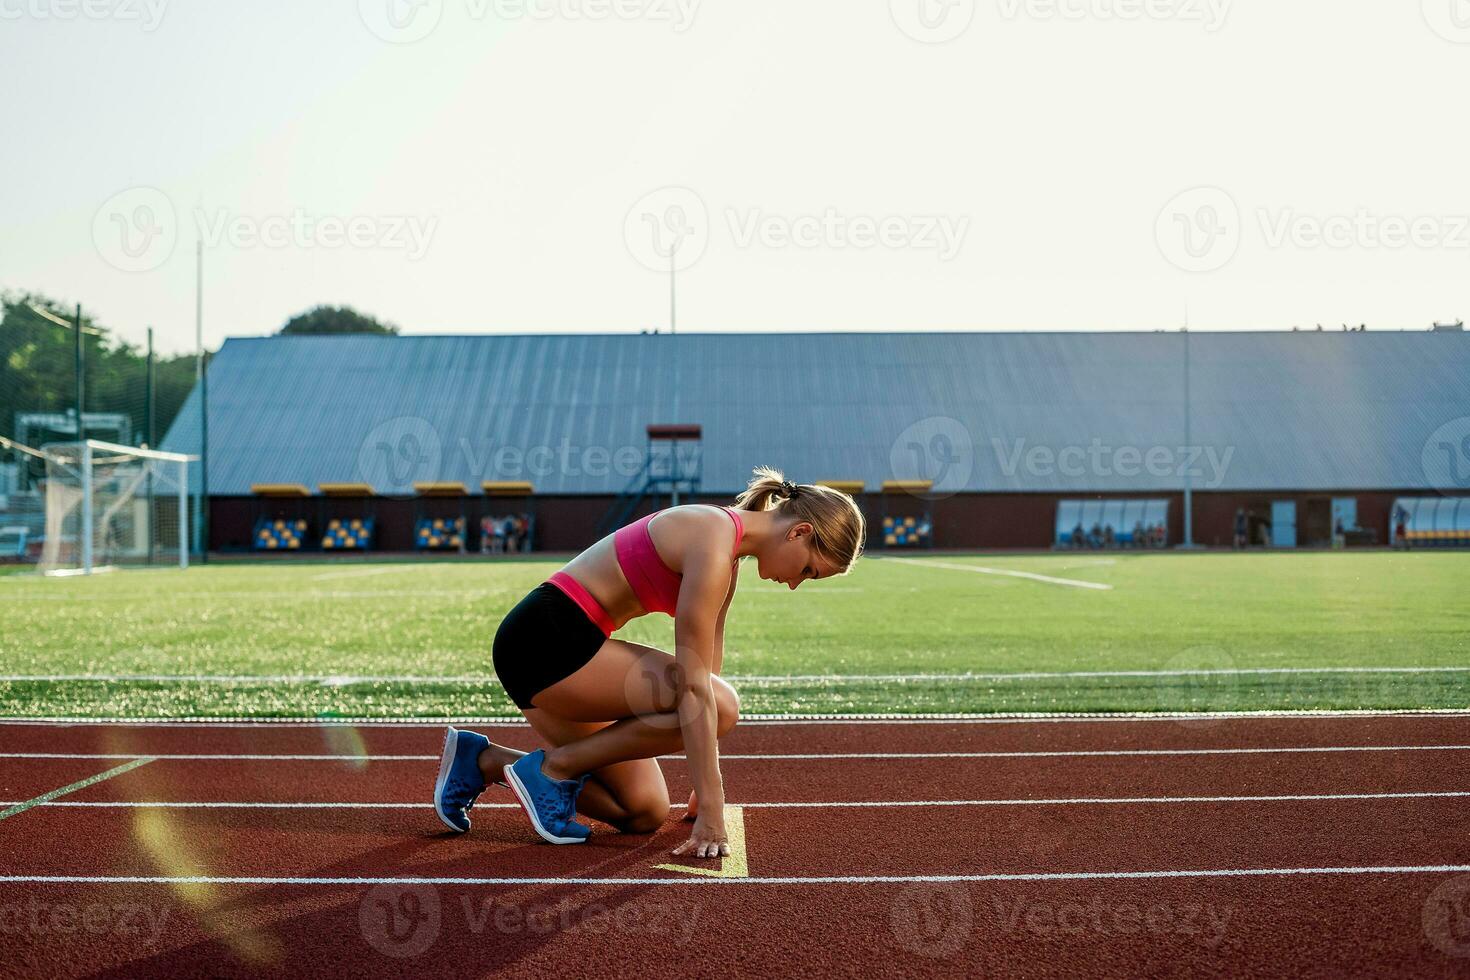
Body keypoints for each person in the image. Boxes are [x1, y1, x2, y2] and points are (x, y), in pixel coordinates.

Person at [432, 467, 866, 858]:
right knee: (725, 706)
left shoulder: (726, 558)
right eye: (809, 570)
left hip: (566, 649)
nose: (795, 584)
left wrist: (701, 782)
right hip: (546, 642)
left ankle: (483, 760)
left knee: (642, 810)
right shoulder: (711, 540)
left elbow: (707, 673)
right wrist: (713, 806)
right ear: (799, 532)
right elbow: (696, 690)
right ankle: (553, 769)